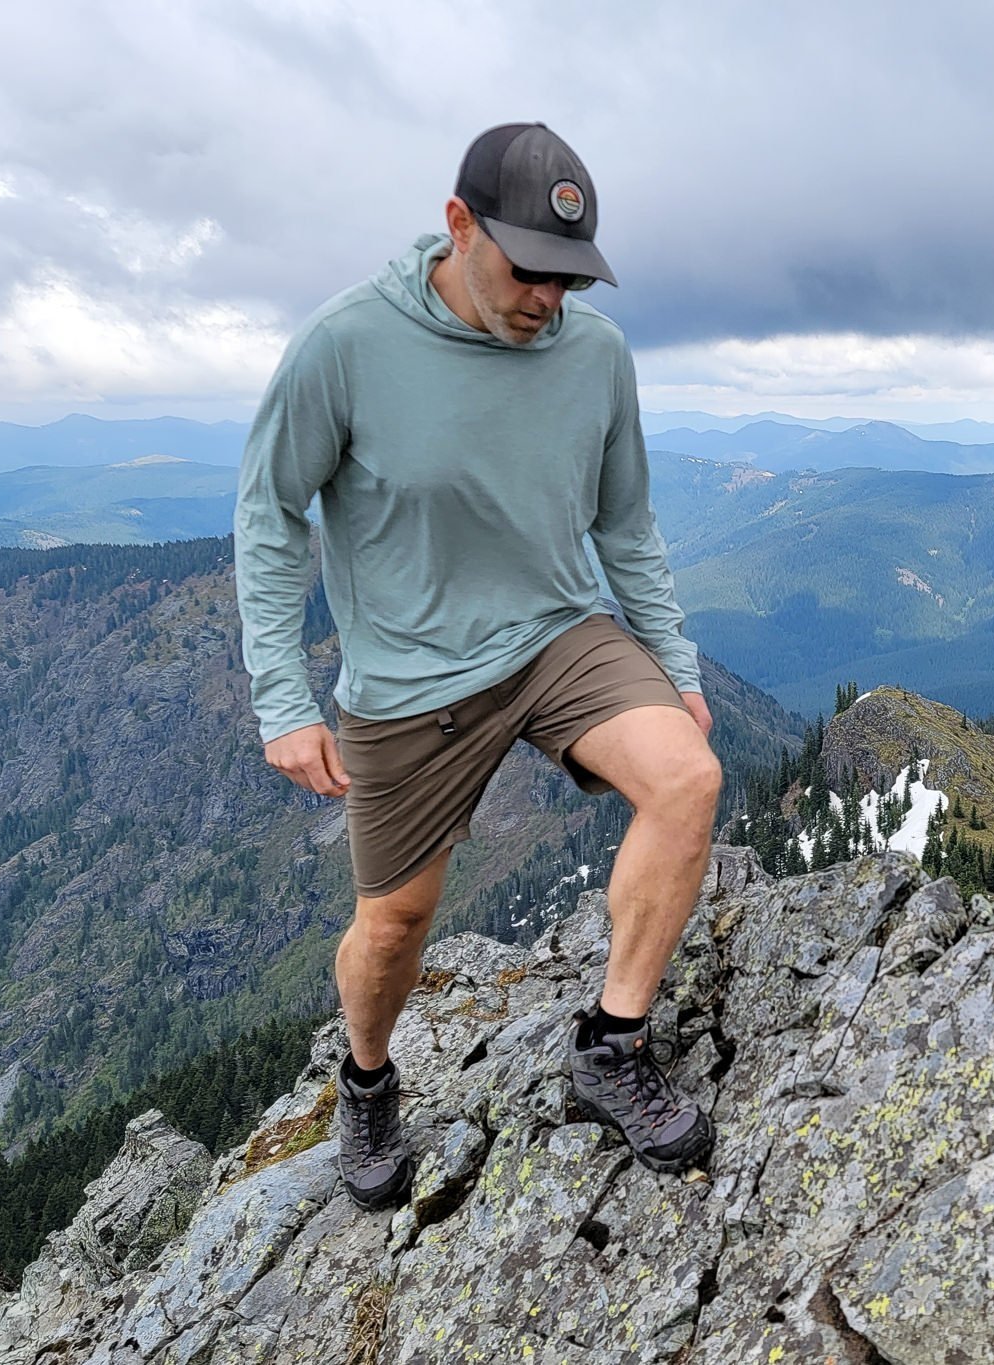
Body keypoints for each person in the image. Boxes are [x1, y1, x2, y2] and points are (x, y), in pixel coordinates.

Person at [232, 122, 722, 1209]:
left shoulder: (596, 356)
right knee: (396, 925)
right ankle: (364, 1082)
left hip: (555, 635)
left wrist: (673, 665)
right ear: (457, 226)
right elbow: (269, 516)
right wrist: (282, 697)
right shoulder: (346, 343)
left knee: (685, 779)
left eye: (569, 277)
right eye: (527, 271)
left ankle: (610, 1046)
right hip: (410, 680)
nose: (548, 298)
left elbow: (625, 525)